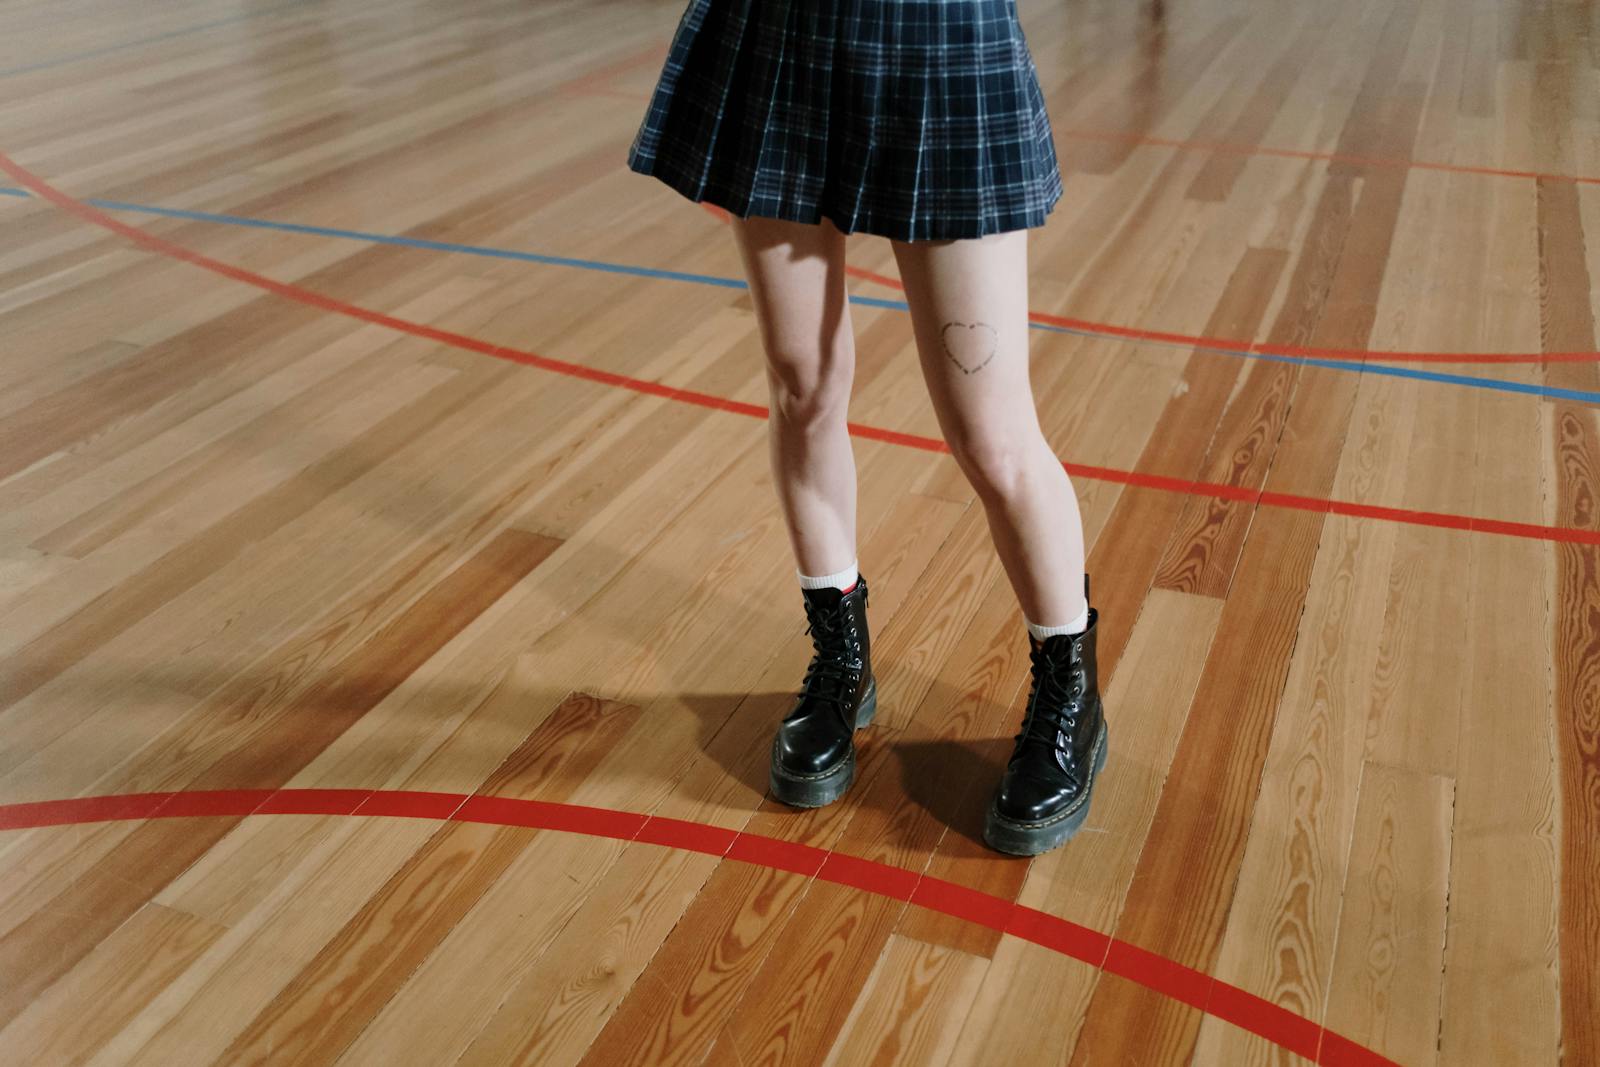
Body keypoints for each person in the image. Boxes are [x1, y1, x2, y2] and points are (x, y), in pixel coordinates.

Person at [625, 0, 1106, 856]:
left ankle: (1072, 693)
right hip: (784, 36)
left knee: (991, 436)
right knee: (801, 384)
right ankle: (841, 657)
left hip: (939, 41)